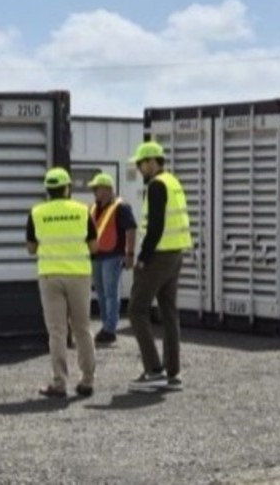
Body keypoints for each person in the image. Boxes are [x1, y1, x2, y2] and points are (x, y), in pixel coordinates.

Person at [26, 167, 98, 398]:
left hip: (50, 276)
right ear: (67, 187)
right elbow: (94, 246)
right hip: (79, 275)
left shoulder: (36, 213)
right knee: (82, 328)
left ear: (47, 189)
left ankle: (59, 383)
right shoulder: (82, 210)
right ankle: (87, 381)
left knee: (57, 331)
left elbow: (31, 248)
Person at [126, 141, 191, 393]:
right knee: (169, 311)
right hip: (176, 253)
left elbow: (155, 227)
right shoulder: (173, 182)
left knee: (136, 309)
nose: (140, 169)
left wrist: (142, 257)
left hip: (159, 255)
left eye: (141, 164)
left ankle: (153, 371)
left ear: (152, 162)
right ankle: (172, 372)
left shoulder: (156, 186)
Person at [87, 172, 138, 345]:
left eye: (97, 188)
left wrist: (130, 254)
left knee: (110, 292)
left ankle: (110, 329)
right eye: (93, 189)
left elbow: (131, 230)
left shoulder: (121, 207)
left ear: (108, 189)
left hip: (113, 256)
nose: (94, 191)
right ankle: (105, 325)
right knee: (101, 292)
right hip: (96, 256)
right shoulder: (93, 207)